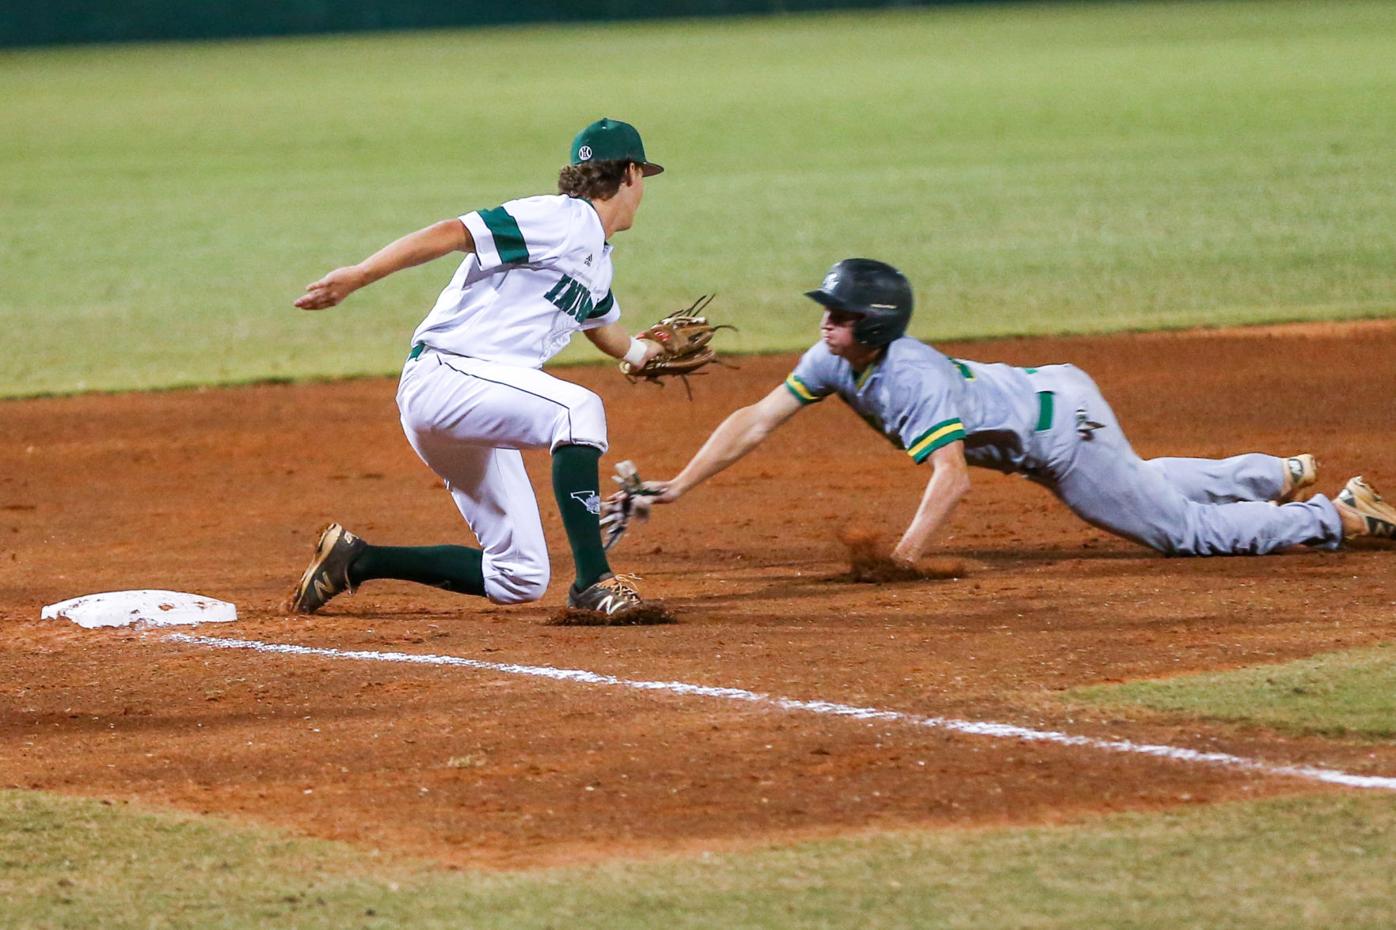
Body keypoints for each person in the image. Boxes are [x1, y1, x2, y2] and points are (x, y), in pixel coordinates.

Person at [632, 258, 1396, 563]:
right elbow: (757, 418)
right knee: (1140, 479)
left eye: (838, 314)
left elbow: (951, 478)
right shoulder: (833, 358)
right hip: (1055, 395)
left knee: (1182, 533)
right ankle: (1272, 475)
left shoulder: (913, 380)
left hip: (1063, 437)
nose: (824, 323)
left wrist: (904, 559)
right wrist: (680, 482)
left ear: (875, 325)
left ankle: (1336, 516)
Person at [289, 118, 670, 618]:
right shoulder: (561, 218)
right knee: (577, 410)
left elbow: (601, 326)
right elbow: (452, 232)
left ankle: (354, 561)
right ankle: (593, 582)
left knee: (520, 576)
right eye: (643, 177)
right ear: (630, 173)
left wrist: (641, 354)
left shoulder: (596, 257)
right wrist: (358, 276)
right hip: (448, 376)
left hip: (477, 402)